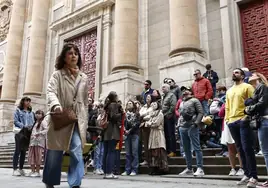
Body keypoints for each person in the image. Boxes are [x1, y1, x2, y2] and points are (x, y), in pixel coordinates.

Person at [43, 43, 89, 188]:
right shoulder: (57, 75)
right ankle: (50, 181)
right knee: (55, 152)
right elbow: (50, 91)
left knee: (76, 148)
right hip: (60, 117)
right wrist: (55, 104)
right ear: (64, 57)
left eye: (76, 53)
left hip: (76, 119)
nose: (74, 55)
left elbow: (85, 100)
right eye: (70, 53)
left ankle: (75, 183)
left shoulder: (84, 77)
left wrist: (84, 117)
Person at [225, 68, 258, 187]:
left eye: (237, 72)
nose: (234, 74)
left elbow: (254, 102)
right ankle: (247, 174)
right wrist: (227, 120)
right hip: (232, 122)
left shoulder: (247, 87)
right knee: (239, 149)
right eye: (233, 72)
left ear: (243, 76)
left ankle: (253, 176)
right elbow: (227, 106)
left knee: (247, 148)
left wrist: (247, 117)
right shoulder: (229, 91)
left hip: (243, 120)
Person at [245, 73, 268, 187]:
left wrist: (249, 109)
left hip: (264, 120)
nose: (249, 76)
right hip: (263, 121)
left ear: (258, 77)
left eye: (253, 75)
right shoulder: (257, 89)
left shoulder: (262, 87)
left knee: (266, 152)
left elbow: (262, 104)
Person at [178, 86, 205, 177]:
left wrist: (196, 123)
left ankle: (200, 168)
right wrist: (179, 125)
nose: (184, 92)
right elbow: (180, 115)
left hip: (192, 126)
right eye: (184, 91)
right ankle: (189, 168)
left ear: (191, 92)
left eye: (187, 91)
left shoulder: (195, 100)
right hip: (182, 127)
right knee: (186, 149)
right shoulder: (181, 102)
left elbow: (201, 112)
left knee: (196, 148)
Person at [13, 97, 35, 176]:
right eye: (27, 101)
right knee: (17, 150)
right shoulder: (18, 111)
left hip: (28, 133)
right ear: (23, 102)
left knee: (24, 151)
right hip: (20, 132)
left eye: (29, 101)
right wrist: (24, 126)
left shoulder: (31, 112)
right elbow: (15, 121)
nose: (28, 102)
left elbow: (34, 122)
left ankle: (21, 169)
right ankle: (15, 169)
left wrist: (31, 127)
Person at [102, 91, 122, 179]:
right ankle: (109, 172)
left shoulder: (107, 106)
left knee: (106, 152)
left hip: (107, 132)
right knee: (111, 152)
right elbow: (114, 117)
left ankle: (106, 172)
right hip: (112, 131)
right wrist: (121, 113)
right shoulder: (114, 105)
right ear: (115, 97)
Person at [147, 102, 168, 175]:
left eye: (155, 104)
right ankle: (154, 168)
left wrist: (150, 123)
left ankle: (161, 168)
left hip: (158, 133)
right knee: (153, 151)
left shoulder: (160, 114)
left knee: (159, 149)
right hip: (152, 133)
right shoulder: (151, 114)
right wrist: (150, 123)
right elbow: (148, 123)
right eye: (152, 104)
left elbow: (156, 123)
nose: (153, 105)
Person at [121, 100, 140, 176]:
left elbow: (137, 124)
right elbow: (122, 123)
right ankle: (127, 169)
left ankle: (134, 169)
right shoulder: (125, 114)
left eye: (130, 103)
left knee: (134, 152)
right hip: (127, 135)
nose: (129, 105)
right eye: (128, 104)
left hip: (134, 134)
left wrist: (130, 130)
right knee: (128, 153)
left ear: (133, 105)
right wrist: (125, 130)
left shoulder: (137, 114)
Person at [28, 110, 47, 177]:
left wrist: (39, 133)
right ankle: (32, 171)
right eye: (36, 113)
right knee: (31, 156)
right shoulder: (35, 122)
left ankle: (37, 172)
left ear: (42, 115)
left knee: (38, 157)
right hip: (32, 142)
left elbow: (46, 130)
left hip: (39, 142)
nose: (37, 115)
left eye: (39, 114)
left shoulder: (43, 122)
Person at [162, 84, 177, 157]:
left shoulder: (171, 95)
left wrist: (168, 114)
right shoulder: (163, 96)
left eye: (164, 87)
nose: (162, 88)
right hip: (164, 117)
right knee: (166, 135)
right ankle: (168, 150)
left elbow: (173, 106)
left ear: (168, 88)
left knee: (171, 134)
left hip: (169, 117)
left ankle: (173, 151)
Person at [139, 94, 154, 166]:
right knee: (145, 144)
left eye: (149, 97)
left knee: (151, 143)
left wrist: (144, 116)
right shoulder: (144, 106)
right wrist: (145, 115)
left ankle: (151, 159)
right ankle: (146, 159)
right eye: (147, 97)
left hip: (150, 126)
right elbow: (140, 114)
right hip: (144, 127)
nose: (147, 98)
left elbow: (151, 115)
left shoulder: (153, 105)